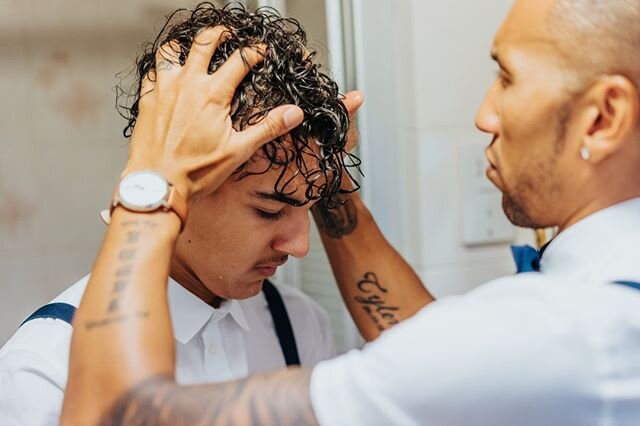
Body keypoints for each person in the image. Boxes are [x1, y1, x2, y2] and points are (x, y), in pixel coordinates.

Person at [61, 0, 640, 424]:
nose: (484, 114)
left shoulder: (579, 331)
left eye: (506, 76)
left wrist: (156, 178)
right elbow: (438, 350)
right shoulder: (41, 362)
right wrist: (318, 176)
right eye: (268, 208)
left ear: (603, 117)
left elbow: (110, 412)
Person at [0, 3, 360, 425]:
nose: (299, 246)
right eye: (268, 210)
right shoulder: (42, 368)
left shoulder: (300, 324)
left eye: (310, 205)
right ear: (185, 176)